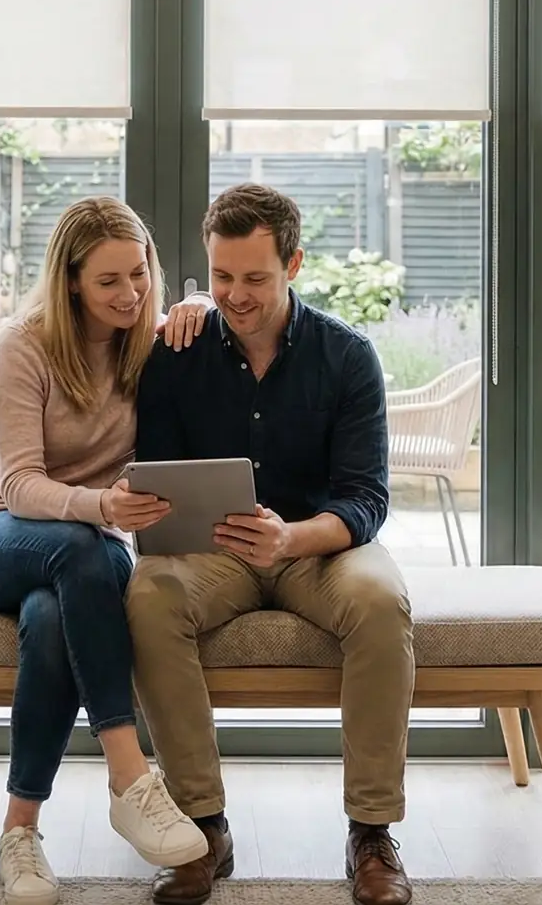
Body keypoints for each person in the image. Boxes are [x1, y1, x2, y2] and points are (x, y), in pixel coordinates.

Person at [128, 183, 415, 905]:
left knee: (381, 600)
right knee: (146, 598)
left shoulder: (347, 357)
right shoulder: (177, 351)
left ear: (294, 265)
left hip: (318, 547)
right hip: (212, 553)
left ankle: (371, 835)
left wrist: (290, 538)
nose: (236, 295)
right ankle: (201, 826)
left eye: (255, 278)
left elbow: (366, 498)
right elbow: (155, 471)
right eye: (221, 277)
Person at [0, 195, 215, 905]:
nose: (130, 294)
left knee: (56, 615)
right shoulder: (22, 346)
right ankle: (129, 773)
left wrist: (205, 305)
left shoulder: (145, 343)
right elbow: (20, 484)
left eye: (140, 274)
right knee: (84, 550)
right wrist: (100, 507)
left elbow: (205, 334)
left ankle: (19, 834)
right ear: (70, 282)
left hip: (80, 551)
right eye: (109, 282)